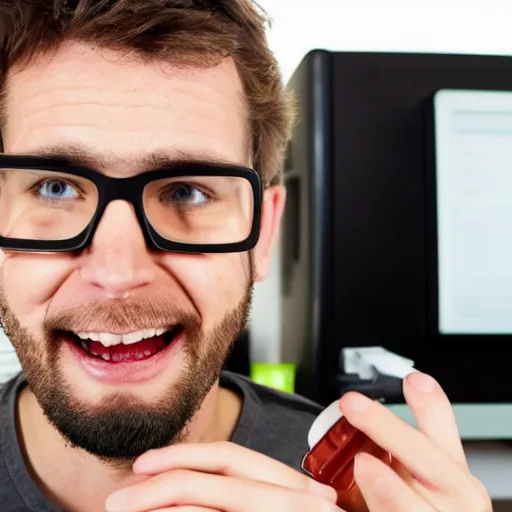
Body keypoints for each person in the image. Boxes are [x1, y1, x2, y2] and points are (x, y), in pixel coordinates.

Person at [0, 1, 492, 511]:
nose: (117, 273)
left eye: (186, 192)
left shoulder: (360, 493)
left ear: (263, 234)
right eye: (54, 188)